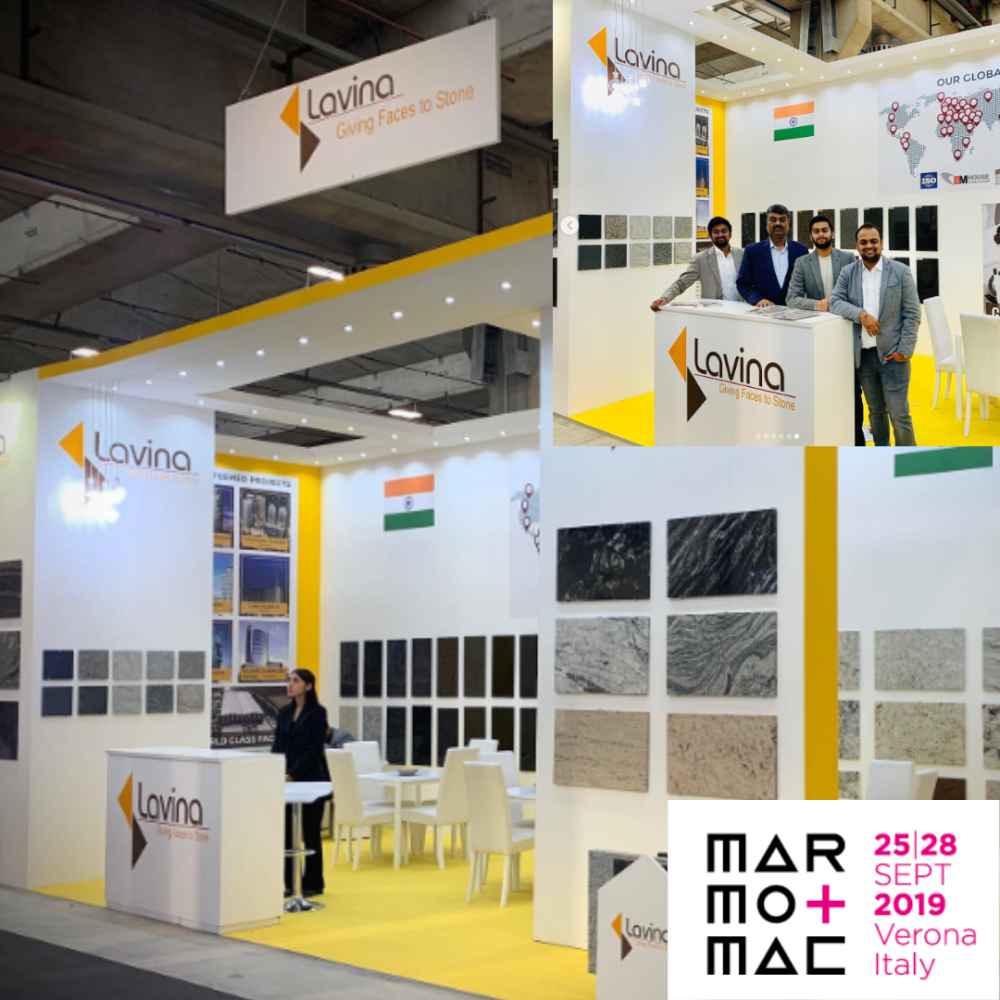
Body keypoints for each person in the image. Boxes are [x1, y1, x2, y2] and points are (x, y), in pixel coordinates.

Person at [829, 223, 920, 446]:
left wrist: (904, 350)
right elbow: (835, 301)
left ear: (881, 243)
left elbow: (912, 313)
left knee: (899, 415)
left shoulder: (900, 271)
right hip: (864, 358)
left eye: (873, 241)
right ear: (856, 246)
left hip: (893, 356)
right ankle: (882, 457)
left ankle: (907, 459)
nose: (869, 246)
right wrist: (861, 315)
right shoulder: (848, 272)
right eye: (863, 242)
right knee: (876, 412)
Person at [787, 215, 865, 446]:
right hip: (819, 339)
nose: (821, 234)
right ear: (811, 236)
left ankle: (857, 441)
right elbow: (792, 299)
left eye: (824, 230)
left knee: (852, 393)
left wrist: (840, 305)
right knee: (822, 392)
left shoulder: (848, 259)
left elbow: (858, 294)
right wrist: (817, 304)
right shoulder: (802, 263)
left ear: (832, 233)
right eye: (816, 231)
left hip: (847, 336)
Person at [272, 668, 331, 897]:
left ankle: (313, 883)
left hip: (312, 780)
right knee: (287, 833)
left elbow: (314, 750)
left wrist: (293, 773)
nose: (290, 684)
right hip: (286, 781)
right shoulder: (284, 713)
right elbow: (278, 746)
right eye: (289, 680)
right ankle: (290, 883)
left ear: (308, 686)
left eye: (295, 681)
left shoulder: (318, 713)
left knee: (310, 832)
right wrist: (275, 768)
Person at [650, 216, 744, 310]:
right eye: (716, 232)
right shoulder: (700, 259)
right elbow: (681, 283)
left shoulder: (742, 254)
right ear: (710, 236)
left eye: (724, 231)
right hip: (714, 312)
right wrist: (664, 298)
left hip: (741, 310)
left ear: (730, 234)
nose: (720, 234)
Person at [735, 203, 808, 307]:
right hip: (764, 312)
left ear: (788, 223)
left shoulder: (801, 251)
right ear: (766, 224)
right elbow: (743, 284)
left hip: (795, 311)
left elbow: (806, 284)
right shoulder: (752, 251)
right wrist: (757, 300)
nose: (778, 223)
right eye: (773, 220)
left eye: (782, 220)